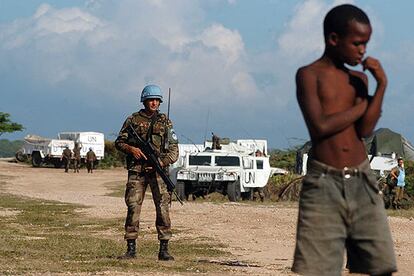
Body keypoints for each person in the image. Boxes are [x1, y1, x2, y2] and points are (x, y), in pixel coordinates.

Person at [292, 4, 396, 276]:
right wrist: (364, 105)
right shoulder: (308, 74)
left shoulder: (359, 78)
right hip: (323, 181)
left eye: (366, 44)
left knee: (379, 264)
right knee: (318, 269)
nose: (363, 50)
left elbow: (365, 130)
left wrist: (381, 85)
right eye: (357, 43)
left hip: (362, 177)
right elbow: (320, 126)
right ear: (333, 39)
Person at [115, 84, 179, 260]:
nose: (154, 103)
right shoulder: (132, 120)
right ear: (144, 100)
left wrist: (161, 162)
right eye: (151, 100)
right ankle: (131, 248)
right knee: (133, 207)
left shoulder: (165, 122)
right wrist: (131, 149)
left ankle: (164, 249)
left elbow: (174, 149)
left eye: (157, 100)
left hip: (158, 172)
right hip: (137, 171)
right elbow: (119, 141)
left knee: (163, 208)